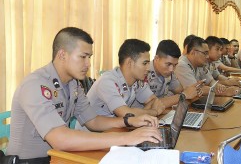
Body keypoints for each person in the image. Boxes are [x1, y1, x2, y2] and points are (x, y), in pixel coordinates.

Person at [6, 27, 162, 163]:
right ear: (62, 55)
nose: (88, 64)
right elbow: (60, 139)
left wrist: (129, 121)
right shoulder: (35, 85)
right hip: (29, 161)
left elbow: (93, 121)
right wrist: (127, 138)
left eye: (90, 57)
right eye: (83, 56)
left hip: (58, 157)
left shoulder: (73, 83)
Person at [83, 39, 165, 119]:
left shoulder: (137, 81)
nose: (148, 68)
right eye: (145, 63)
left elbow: (155, 101)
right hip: (91, 131)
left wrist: (137, 113)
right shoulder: (108, 81)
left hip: (115, 129)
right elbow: (126, 114)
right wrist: (154, 112)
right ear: (129, 62)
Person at [174, 36, 241, 96]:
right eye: (205, 53)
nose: (207, 56)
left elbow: (210, 81)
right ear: (193, 52)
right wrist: (225, 91)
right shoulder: (182, 65)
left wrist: (221, 87)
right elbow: (195, 90)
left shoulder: (199, 64)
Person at [147, 39, 203, 108]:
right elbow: (152, 105)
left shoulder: (169, 72)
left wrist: (193, 90)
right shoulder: (144, 73)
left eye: (175, 65)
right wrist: (184, 95)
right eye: (168, 64)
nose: (172, 69)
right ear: (156, 59)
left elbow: (180, 90)